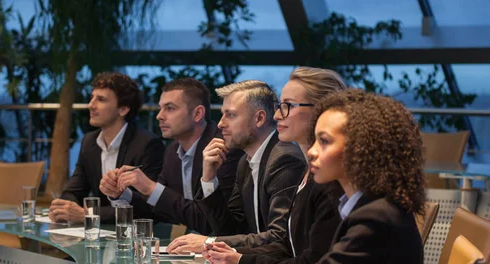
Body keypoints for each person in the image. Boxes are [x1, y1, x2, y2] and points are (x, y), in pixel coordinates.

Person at [178, 89, 439, 264]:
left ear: (363, 150)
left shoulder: (376, 220)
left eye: (324, 142)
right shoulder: (368, 207)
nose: (312, 151)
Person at [204, 67, 346, 264]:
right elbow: (286, 245)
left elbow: (312, 263)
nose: (278, 115)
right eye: (280, 106)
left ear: (322, 111)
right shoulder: (249, 163)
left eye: (287, 106)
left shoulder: (292, 162)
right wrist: (233, 256)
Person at [167, 80, 306, 253]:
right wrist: (209, 179)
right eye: (222, 114)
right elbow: (230, 229)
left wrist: (208, 242)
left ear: (259, 118)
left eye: (230, 115)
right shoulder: (245, 162)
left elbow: (279, 238)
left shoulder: (284, 160)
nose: (220, 124)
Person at [99, 78, 242, 234]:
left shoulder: (223, 147)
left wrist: (151, 187)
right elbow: (157, 209)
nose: (159, 116)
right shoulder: (172, 150)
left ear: (197, 113)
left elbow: (210, 222)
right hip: (187, 248)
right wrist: (122, 194)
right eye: (161, 108)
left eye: (170, 108)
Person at [49, 72, 165, 224]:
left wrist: (89, 215)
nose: (91, 104)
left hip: (136, 234)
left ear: (122, 109)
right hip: (102, 233)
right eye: (92, 98)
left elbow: (147, 207)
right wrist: (64, 207)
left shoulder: (147, 144)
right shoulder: (89, 142)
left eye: (101, 99)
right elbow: (74, 191)